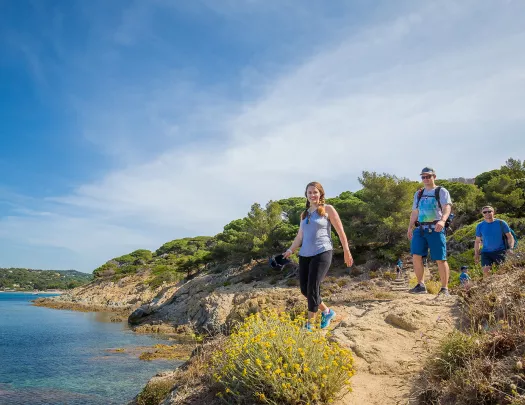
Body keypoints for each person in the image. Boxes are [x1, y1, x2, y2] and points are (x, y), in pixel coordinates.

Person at [283, 181, 353, 331]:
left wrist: (346, 250)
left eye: (315, 192)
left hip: (322, 251)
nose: (312, 195)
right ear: (306, 195)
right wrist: (290, 250)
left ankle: (310, 325)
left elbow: (340, 231)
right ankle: (327, 312)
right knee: (304, 290)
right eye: (309, 193)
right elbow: (299, 236)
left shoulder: (328, 209)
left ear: (320, 193)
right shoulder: (304, 214)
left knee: (313, 287)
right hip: (304, 254)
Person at [407, 167, 453, 296]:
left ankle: (444, 288)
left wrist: (443, 220)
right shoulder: (419, 193)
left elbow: (447, 207)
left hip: (436, 228)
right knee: (416, 256)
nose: (426, 179)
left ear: (434, 177)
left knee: (440, 258)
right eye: (423, 177)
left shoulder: (441, 191)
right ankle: (420, 285)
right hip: (420, 229)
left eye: (428, 176)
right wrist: (410, 227)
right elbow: (415, 212)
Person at [474, 206, 514, 278]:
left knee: (503, 272)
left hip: (500, 251)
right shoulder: (479, 226)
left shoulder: (501, 223)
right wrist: (476, 254)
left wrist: (510, 248)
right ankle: (489, 287)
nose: (487, 213)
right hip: (486, 253)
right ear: (482, 214)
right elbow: (477, 241)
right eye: (485, 212)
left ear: (493, 212)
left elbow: (510, 237)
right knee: (486, 272)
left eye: (489, 211)